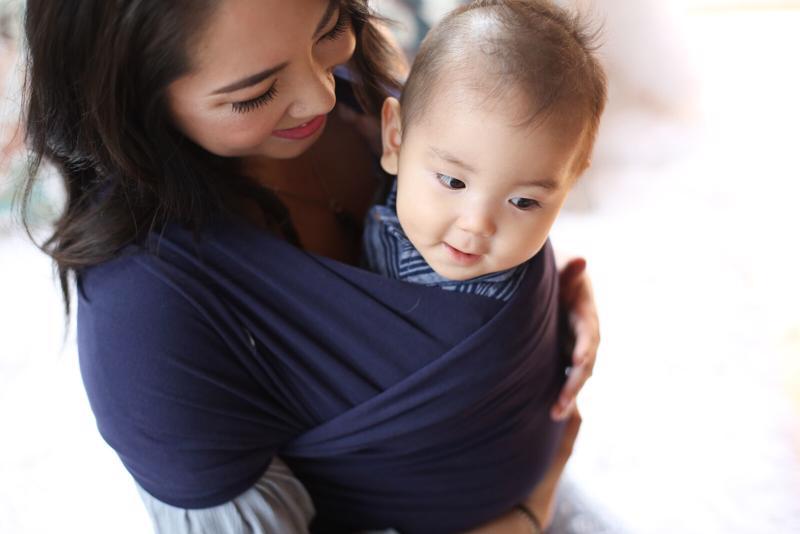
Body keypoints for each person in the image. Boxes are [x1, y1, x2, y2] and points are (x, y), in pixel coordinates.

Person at [20, 0, 600, 532]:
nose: (324, 94)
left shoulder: (354, 90)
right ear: (130, 97)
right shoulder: (147, 321)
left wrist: (541, 299)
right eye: (255, 93)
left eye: (329, 30)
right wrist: (531, 510)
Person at [363, 0, 607, 303]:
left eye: (523, 202)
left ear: (571, 183)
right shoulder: (374, 126)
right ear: (395, 140)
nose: (478, 223)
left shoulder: (497, 313)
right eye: (454, 182)